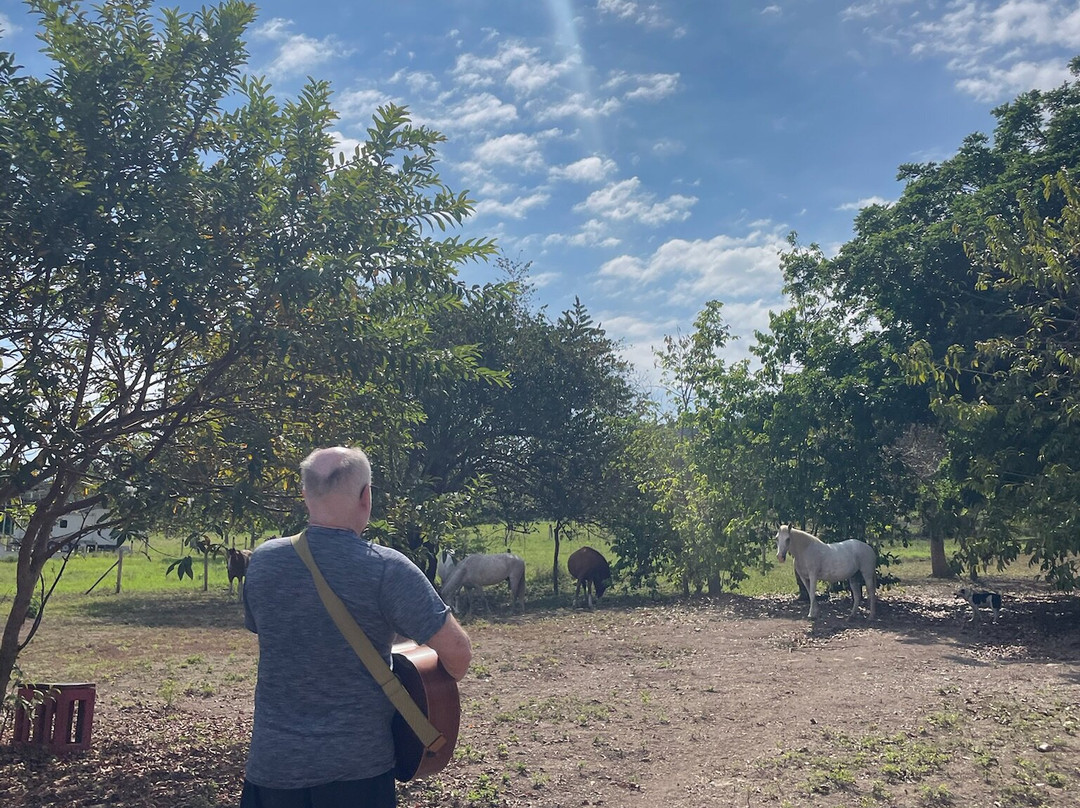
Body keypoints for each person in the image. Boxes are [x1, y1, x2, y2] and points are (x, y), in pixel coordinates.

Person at [240, 446, 472, 808]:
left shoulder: (263, 562)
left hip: (271, 770)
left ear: (305, 495)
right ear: (366, 496)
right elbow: (458, 655)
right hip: (357, 775)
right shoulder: (387, 569)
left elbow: (282, 630)